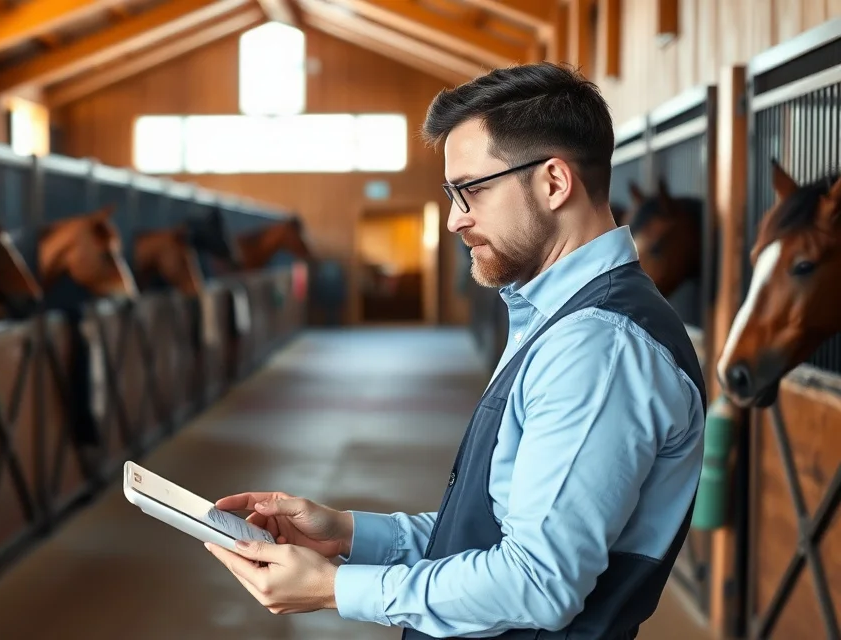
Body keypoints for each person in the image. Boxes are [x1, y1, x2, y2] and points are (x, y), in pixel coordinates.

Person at [203, 62, 707, 639]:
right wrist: (346, 533)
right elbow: (495, 533)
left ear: (553, 182)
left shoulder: (598, 346)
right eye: (452, 194)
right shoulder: (562, 321)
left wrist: (334, 587)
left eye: (472, 190)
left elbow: (536, 581)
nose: (454, 220)